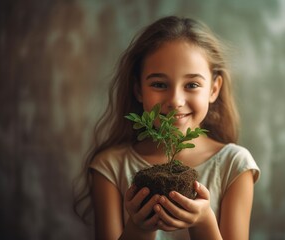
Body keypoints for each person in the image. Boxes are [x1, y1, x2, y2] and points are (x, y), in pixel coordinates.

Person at [74, 16, 260, 240]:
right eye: (159, 84)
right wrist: (139, 227)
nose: (175, 101)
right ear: (138, 89)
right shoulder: (110, 167)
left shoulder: (234, 165)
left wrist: (203, 221)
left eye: (192, 85)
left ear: (213, 89)